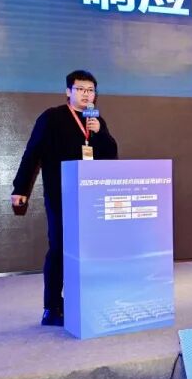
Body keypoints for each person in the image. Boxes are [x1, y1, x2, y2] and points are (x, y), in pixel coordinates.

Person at [11, 70, 119, 326]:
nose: (86, 95)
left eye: (90, 90)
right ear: (68, 92)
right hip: (61, 196)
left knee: (88, 250)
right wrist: (20, 188)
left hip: (90, 198)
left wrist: (100, 133)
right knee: (60, 249)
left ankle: (81, 299)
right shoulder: (52, 117)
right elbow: (32, 153)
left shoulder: (96, 121)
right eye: (80, 89)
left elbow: (111, 155)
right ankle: (52, 307)